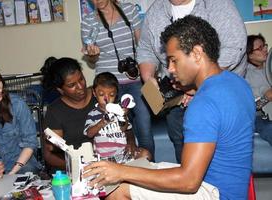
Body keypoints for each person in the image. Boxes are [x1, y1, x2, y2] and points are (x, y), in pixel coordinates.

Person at [83, 15, 255, 200]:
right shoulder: (237, 82)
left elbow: (188, 181)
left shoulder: (203, 104)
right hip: (234, 188)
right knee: (142, 167)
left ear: (197, 53)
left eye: (174, 60)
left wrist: (122, 172)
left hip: (215, 193)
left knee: (119, 189)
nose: (170, 69)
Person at [137, 0, 248, 163]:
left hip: (218, 91)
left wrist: (198, 84)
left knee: (218, 149)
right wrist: (149, 79)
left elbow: (234, 47)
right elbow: (146, 48)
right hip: (177, 90)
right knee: (182, 142)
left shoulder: (218, 4)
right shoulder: (156, 12)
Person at [81, 0, 154, 158]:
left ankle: (149, 167)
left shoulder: (129, 10)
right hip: (108, 85)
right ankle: (121, 165)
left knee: (144, 123)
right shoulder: (88, 21)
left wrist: (148, 75)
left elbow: (142, 44)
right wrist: (93, 56)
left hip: (135, 79)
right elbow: (92, 61)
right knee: (115, 127)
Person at [42, 57, 96, 171]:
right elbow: (49, 155)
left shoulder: (99, 95)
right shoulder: (55, 111)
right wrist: (78, 165)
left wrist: (131, 142)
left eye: (81, 79)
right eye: (72, 85)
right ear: (60, 90)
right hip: (75, 169)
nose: (80, 87)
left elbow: (125, 128)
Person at [84, 72, 151, 162]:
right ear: (94, 93)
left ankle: (129, 170)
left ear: (116, 95)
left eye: (111, 95)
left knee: (145, 154)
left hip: (122, 154)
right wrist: (102, 122)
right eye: (101, 94)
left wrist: (123, 116)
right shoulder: (93, 114)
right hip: (104, 158)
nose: (106, 99)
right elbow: (89, 134)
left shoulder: (119, 110)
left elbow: (124, 129)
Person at [245, 34, 272, 146]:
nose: (265, 49)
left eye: (264, 46)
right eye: (260, 48)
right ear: (250, 55)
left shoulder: (269, 65)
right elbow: (253, 107)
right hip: (258, 116)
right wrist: (266, 97)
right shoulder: (246, 75)